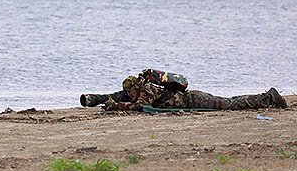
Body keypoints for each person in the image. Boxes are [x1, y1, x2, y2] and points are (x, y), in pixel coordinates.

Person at [80, 69, 287, 111]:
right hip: (190, 100)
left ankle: (267, 98)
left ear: (136, 87)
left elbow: (139, 106)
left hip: (193, 100)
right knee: (229, 103)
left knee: (229, 104)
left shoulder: (149, 89)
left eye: (131, 92)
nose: (130, 95)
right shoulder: (142, 88)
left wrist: (116, 106)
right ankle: (267, 98)